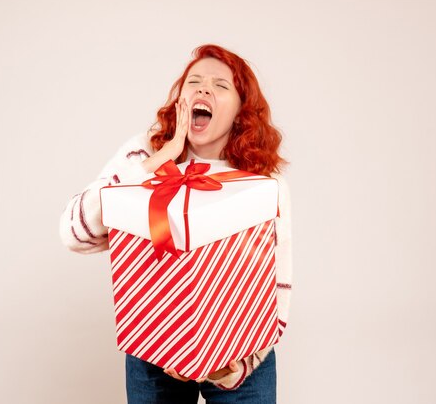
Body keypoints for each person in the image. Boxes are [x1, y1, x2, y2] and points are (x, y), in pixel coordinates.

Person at [59, 44, 292, 403]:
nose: (202, 90)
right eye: (194, 82)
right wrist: (159, 161)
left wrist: (234, 367)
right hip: (153, 348)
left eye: (220, 85)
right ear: (180, 98)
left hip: (240, 358)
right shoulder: (144, 153)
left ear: (241, 110)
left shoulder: (262, 182)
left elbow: (277, 282)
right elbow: (73, 232)